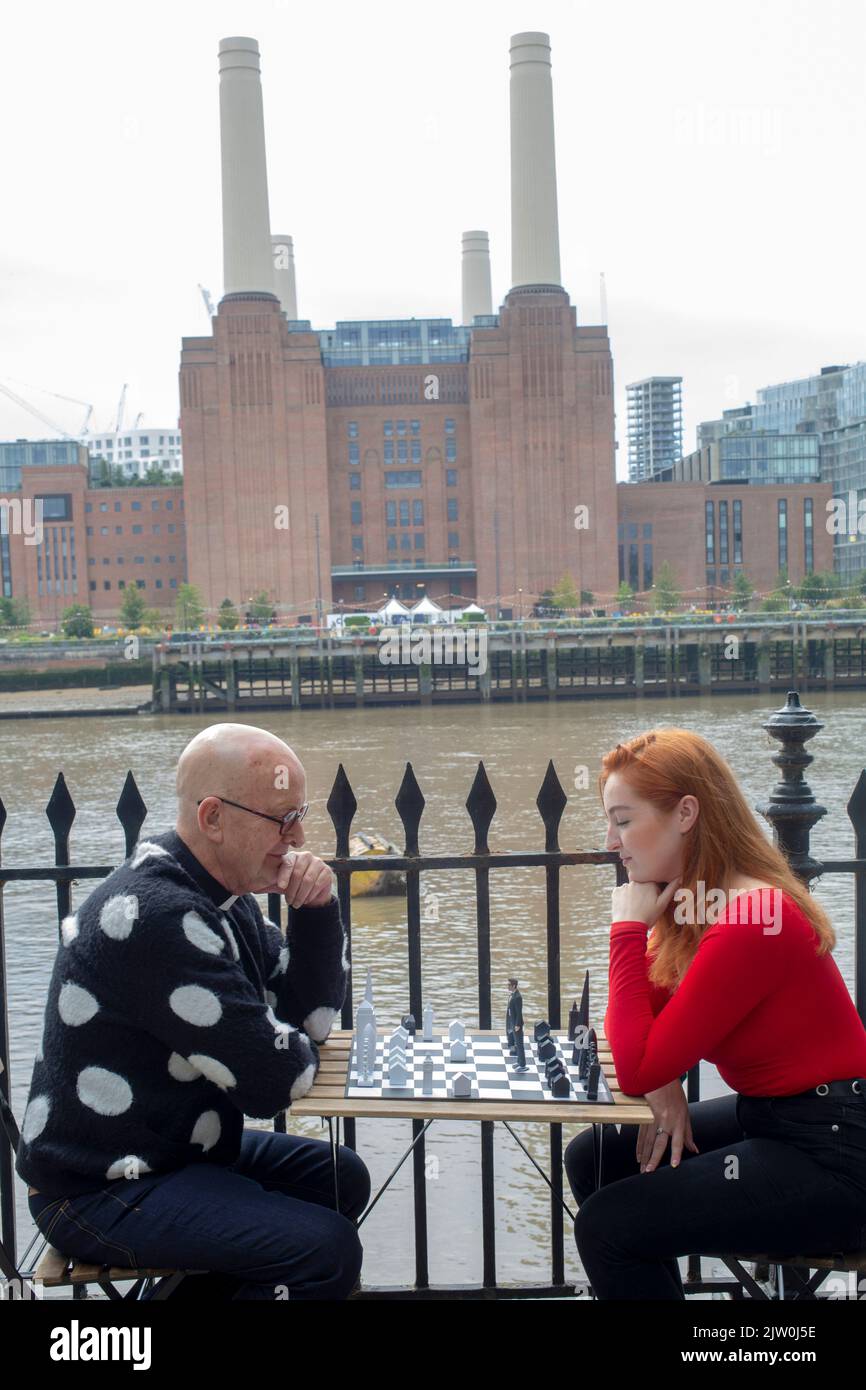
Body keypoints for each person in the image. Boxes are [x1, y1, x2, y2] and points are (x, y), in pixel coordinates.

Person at [17, 722, 371, 1300]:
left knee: (339, 1179)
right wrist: (277, 1042)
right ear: (213, 817)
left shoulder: (219, 896)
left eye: (300, 813)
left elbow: (309, 1022)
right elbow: (273, 1081)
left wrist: (316, 908)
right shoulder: (157, 915)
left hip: (173, 1149)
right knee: (325, 1248)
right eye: (282, 818)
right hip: (95, 1184)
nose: (300, 834)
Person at [564, 727, 866, 1300]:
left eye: (623, 820)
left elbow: (636, 1064)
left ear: (685, 812)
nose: (610, 840)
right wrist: (664, 1085)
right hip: (775, 1119)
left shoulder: (754, 917)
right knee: (597, 1158)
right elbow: (638, 1039)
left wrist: (627, 929)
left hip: (835, 1153)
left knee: (610, 1227)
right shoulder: (697, 902)